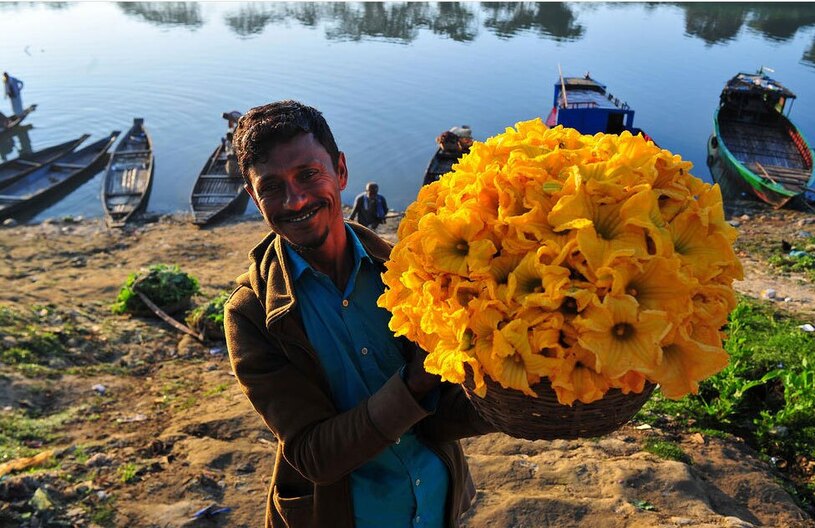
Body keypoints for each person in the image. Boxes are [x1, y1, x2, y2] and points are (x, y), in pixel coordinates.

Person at [224, 100, 494, 528]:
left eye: (309, 175)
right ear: (254, 198)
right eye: (271, 187)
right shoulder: (252, 313)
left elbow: (439, 420)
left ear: (341, 171)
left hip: (436, 505)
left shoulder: (408, 269)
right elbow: (315, 455)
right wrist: (417, 380)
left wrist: (501, 399)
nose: (295, 201)